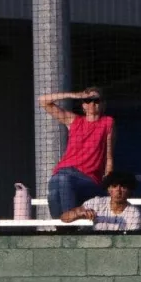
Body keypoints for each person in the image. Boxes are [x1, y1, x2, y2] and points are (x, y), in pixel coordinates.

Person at [38, 87, 115, 218]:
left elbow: (109, 156)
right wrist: (75, 95)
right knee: (54, 190)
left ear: (103, 104)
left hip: (88, 177)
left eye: (96, 100)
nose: (92, 103)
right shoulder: (74, 120)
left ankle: (70, 223)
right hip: (63, 172)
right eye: (88, 100)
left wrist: (109, 182)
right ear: (83, 105)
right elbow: (43, 101)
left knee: (62, 181)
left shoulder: (107, 122)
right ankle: (62, 225)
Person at [60, 171, 141, 231]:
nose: (118, 190)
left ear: (130, 191)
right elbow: (64, 218)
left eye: (123, 187)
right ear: (109, 189)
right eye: (114, 186)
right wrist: (79, 214)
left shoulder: (134, 213)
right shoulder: (96, 203)